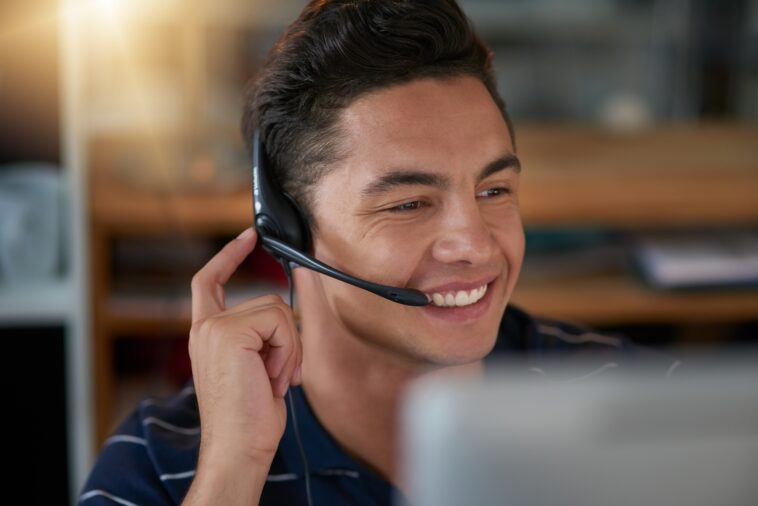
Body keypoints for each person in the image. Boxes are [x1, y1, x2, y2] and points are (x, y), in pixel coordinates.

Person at [79, 1, 677, 505]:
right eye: (409, 203)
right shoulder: (158, 468)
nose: (475, 244)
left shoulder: (642, 408)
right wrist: (233, 470)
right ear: (287, 228)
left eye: (493, 190)